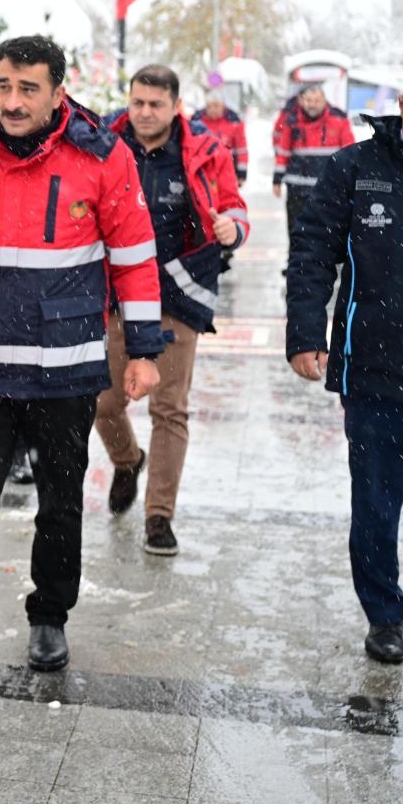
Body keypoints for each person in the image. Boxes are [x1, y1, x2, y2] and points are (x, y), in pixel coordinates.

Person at [0, 35, 163, 688]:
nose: (13, 101)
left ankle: (49, 617)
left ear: (59, 91)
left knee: (61, 503)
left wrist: (143, 350)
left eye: (28, 88)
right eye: (4, 86)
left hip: (66, 369)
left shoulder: (101, 156)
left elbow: (135, 256)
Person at [95, 65, 250, 555]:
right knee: (103, 400)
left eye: (155, 105)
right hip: (116, 292)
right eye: (137, 102)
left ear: (175, 106)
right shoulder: (103, 141)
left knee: (169, 409)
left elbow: (234, 206)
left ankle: (158, 517)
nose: (144, 113)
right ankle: (126, 460)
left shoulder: (205, 151)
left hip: (178, 291)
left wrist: (234, 228)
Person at [285, 71, 403, 666]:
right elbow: (312, 253)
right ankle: (384, 615)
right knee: (376, 504)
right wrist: (307, 335)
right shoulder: (356, 168)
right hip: (376, 372)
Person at [273, 83, 354, 239]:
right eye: (309, 100)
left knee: (327, 233)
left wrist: (350, 180)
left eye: (316, 100)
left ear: (324, 101)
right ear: (303, 101)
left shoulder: (339, 120)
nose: (312, 105)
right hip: (297, 190)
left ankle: (323, 263)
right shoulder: (292, 122)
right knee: (296, 231)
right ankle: (295, 262)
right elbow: (283, 153)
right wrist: (276, 180)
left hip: (328, 189)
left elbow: (349, 152)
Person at [193, 91, 249, 184]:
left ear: (223, 106)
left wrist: (242, 173)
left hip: (227, 172)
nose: (213, 110)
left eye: (216, 106)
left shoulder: (234, 122)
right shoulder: (197, 122)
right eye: (209, 106)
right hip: (202, 172)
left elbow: (241, 149)